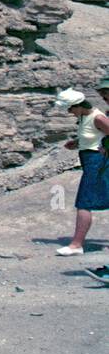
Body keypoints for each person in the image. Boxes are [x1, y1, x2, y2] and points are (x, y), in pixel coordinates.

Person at [54, 88, 109, 256]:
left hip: (97, 162)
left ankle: (76, 245)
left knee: (84, 202)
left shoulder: (98, 118)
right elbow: (94, 136)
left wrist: (106, 148)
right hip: (89, 160)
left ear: (79, 106)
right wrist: (78, 143)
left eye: (70, 108)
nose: (69, 112)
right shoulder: (84, 117)